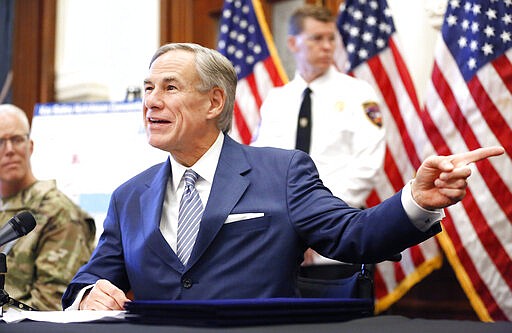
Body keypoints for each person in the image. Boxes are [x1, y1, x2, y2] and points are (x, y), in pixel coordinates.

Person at [61, 42, 504, 311]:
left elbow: (355, 235)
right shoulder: (129, 196)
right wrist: (86, 296)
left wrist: (418, 200)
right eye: (148, 89)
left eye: (170, 87)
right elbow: (90, 278)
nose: (151, 102)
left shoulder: (282, 172)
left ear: (215, 102)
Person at [251, 5, 385, 266]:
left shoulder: (358, 94)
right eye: (316, 38)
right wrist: (286, 226)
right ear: (293, 43)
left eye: (331, 38)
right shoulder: (277, 99)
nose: (327, 46)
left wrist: (315, 221)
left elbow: (367, 166)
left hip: (337, 232)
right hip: (279, 238)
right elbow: (261, 166)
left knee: (336, 304)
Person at [0, 104, 96, 310]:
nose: (9, 150)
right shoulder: (5, 207)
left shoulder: (58, 211)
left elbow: (52, 307)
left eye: (17, 140)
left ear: (30, 146)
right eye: (0, 142)